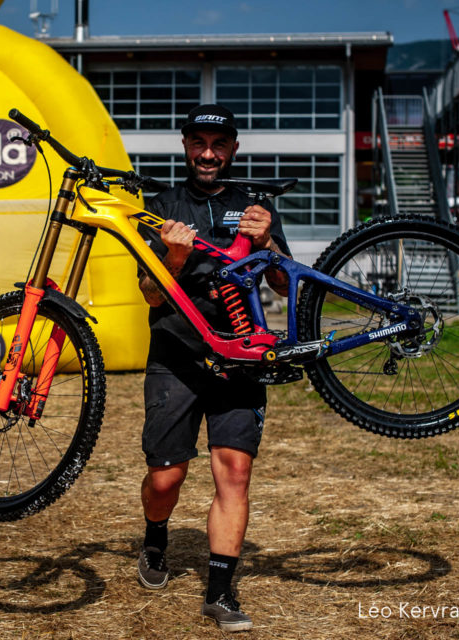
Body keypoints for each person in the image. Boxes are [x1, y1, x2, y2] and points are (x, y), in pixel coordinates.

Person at [134, 104, 291, 632]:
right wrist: (174, 259)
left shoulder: (254, 206)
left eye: (218, 144)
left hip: (240, 358)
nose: (208, 153)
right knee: (165, 478)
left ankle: (220, 593)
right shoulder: (160, 207)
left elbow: (285, 285)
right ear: (185, 146)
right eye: (199, 143)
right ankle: (155, 539)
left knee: (235, 472)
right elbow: (150, 294)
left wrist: (267, 242)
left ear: (233, 149)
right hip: (175, 354)